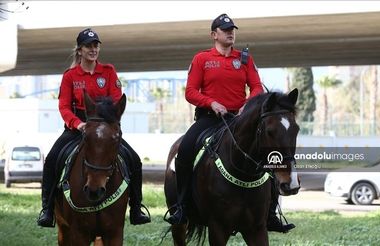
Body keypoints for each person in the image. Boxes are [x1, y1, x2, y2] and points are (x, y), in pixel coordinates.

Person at [165, 14, 295, 233]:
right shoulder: (201, 59)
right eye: (225, 30)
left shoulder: (244, 59)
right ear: (214, 35)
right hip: (209, 119)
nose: (230, 33)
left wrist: (248, 104)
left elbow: (256, 87)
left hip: (238, 119)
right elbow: (190, 92)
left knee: (268, 154)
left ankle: (271, 213)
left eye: (232, 29)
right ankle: (182, 206)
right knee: (185, 150)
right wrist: (211, 102)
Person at [37, 28, 150, 227]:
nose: (93, 49)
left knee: (135, 160)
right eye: (88, 46)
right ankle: (47, 209)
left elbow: (116, 101)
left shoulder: (108, 72)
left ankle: (136, 208)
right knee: (52, 159)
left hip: (104, 129)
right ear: (79, 50)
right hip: (77, 128)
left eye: (96, 45)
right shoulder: (70, 76)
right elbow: (63, 106)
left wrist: (109, 126)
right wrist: (78, 124)